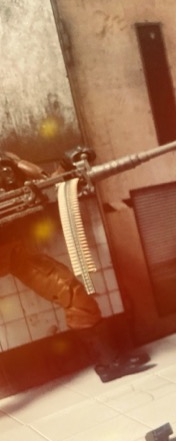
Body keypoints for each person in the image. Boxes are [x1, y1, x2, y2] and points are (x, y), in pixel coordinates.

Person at [0, 149, 151, 383]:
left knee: (72, 293)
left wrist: (64, 165)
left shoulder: (8, 161)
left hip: (12, 252)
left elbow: (46, 183)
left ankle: (110, 362)